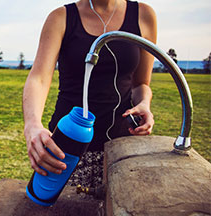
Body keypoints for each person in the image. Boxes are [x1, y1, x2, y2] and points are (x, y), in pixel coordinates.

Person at [23, 0, 157, 188]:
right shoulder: (61, 18)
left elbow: (141, 84)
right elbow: (39, 78)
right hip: (67, 149)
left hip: (124, 147)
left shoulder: (143, 15)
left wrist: (144, 103)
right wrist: (32, 125)